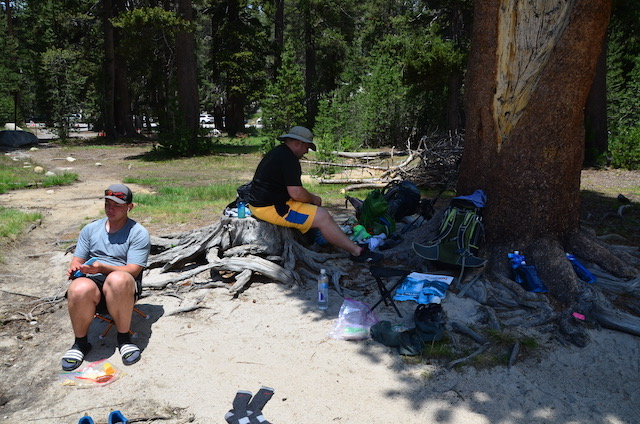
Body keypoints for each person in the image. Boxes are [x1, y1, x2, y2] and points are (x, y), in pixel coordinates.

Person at [249, 126, 382, 263]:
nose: (306, 151)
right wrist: (314, 198)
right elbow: (296, 193)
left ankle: (318, 238)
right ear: (297, 143)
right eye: (307, 147)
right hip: (271, 208)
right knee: (323, 217)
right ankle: (357, 252)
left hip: (263, 203)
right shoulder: (289, 159)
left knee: (313, 209)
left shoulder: (279, 153)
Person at [61, 184, 151, 371]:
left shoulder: (138, 232)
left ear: (130, 207)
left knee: (118, 278)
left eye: (117, 205)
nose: (111, 209)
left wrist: (103, 268)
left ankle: (124, 338)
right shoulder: (91, 229)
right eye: (108, 204)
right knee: (78, 287)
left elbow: (133, 270)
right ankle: (80, 343)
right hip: (93, 280)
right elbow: (77, 259)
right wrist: (75, 268)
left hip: (123, 285)